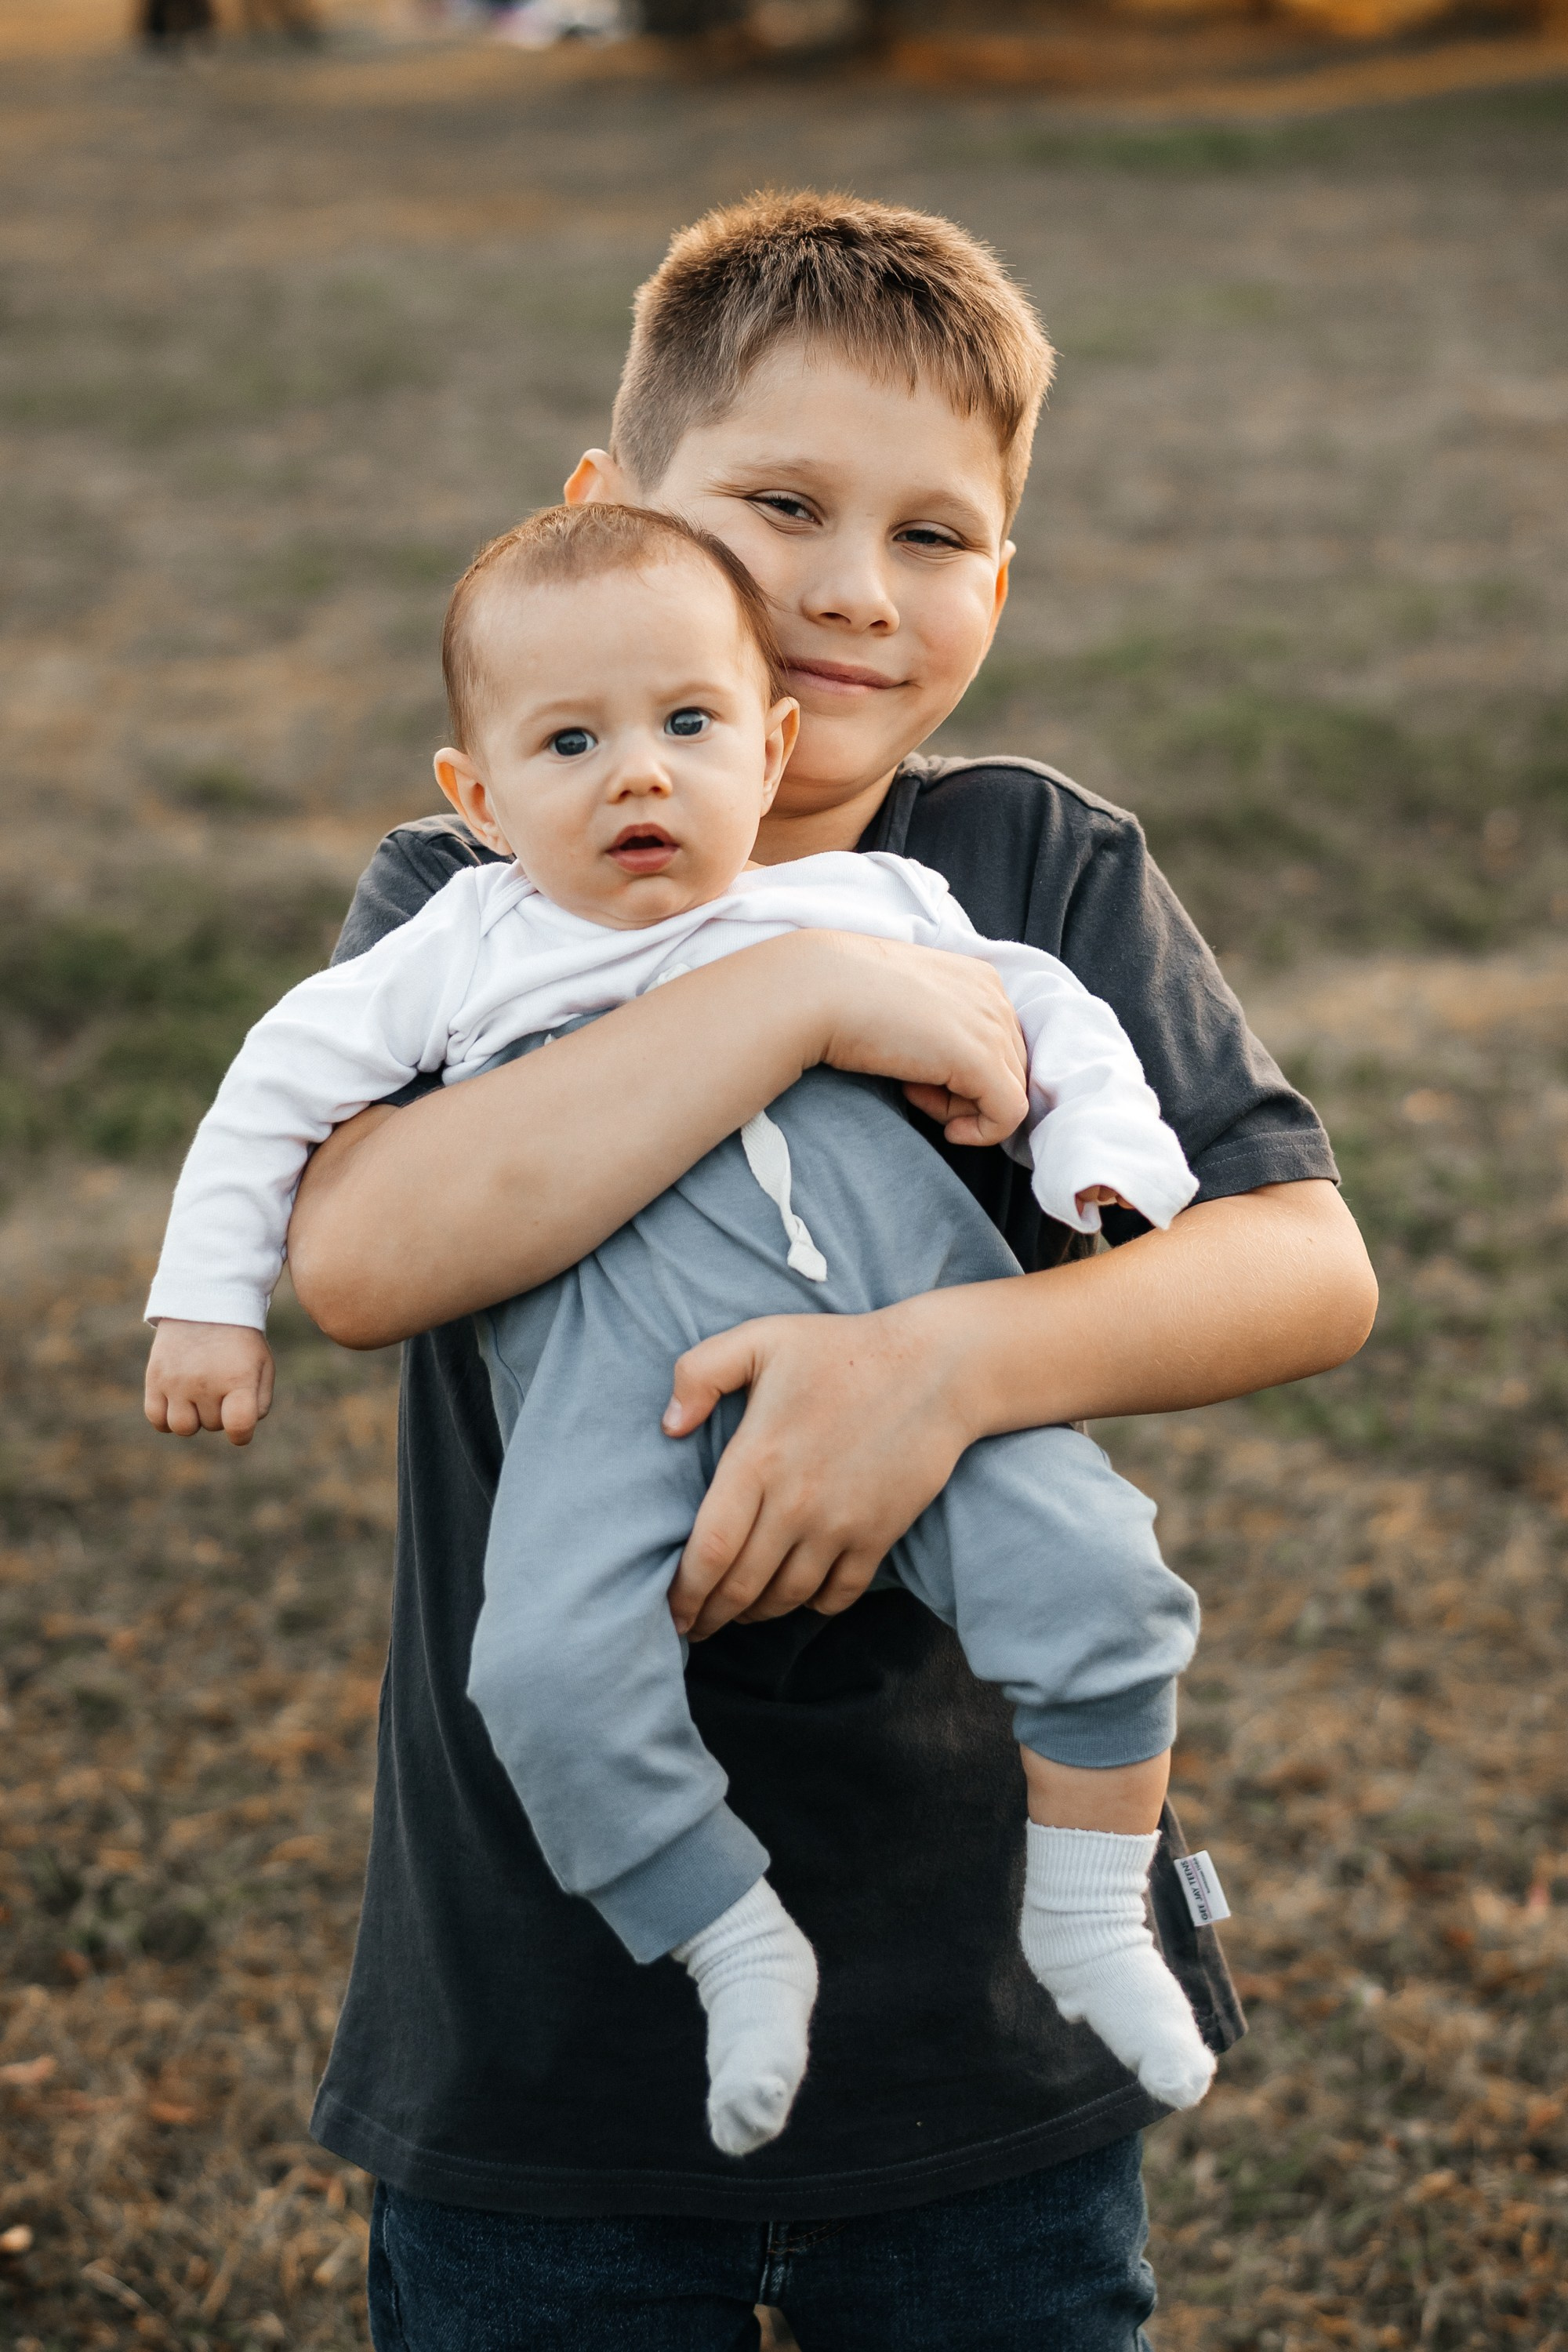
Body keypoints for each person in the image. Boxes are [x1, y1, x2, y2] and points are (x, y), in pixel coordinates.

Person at [260, 196, 1374, 2347]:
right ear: (604, 516)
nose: (856, 590)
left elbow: (1305, 1269)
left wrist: (942, 1368)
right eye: (780, 507)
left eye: (934, 536)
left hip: (975, 2029)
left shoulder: (1033, 863)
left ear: (1000, 580)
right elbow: (364, 1256)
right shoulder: (476, 890)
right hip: (545, 2035)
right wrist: (788, 997)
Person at [144, 497, 1218, 2157]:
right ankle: (730, 1941)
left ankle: (1087, 1910)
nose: (637, 777)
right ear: (480, 800)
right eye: (571, 744)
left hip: (897, 1326)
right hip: (609, 1390)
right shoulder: (466, 938)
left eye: (689, 726)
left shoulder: (870, 899)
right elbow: (272, 1092)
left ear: (768, 745)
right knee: (543, 1674)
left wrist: (1104, 1162)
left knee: (1094, 1571)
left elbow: (1051, 1009)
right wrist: (209, 1303)